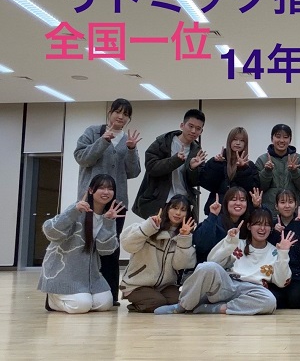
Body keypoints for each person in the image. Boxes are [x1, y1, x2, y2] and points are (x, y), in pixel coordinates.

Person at [154, 207, 297, 315]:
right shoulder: (238, 243)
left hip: (252, 290)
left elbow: (281, 282)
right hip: (228, 284)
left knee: (270, 301)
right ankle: (182, 306)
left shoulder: (274, 251)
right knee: (206, 266)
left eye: (266, 225)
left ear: (271, 228)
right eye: (257, 224)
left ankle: (214, 309)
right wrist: (229, 242)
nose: (262, 228)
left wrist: (283, 253)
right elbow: (213, 260)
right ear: (249, 226)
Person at [73, 98, 141, 305]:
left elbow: (133, 172)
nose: (121, 117)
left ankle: (110, 294)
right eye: (117, 112)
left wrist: (131, 150)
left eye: (125, 114)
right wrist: (102, 141)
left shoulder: (127, 140)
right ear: (110, 112)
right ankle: (82, 289)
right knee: (86, 243)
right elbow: (82, 158)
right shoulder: (93, 132)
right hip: (90, 201)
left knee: (111, 246)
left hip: (116, 203)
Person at [38, 174, 124, 313]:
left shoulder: (108, 215)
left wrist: (108, 223)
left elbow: (105, 250)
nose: (106, 192)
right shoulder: (77, 209)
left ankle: (81, 297)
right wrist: (74, 211)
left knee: (105, 303)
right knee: (81, 305)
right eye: (101, 188)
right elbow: (51, 232)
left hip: (90, 275)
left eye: (110, 188)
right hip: (64, 271)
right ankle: (52, 300)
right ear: (90, 190)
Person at [120, 195, 197, 312]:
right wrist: (148, 227)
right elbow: (127, 245)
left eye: (183, 210)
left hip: (164, 286)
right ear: (167, 209)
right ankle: (137, 305)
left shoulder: (184, 235)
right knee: (157, 302)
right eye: (174, 208)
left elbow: (180, 265)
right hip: (136, 284)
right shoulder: (151, 226)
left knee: (182, 300)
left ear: (188, 214)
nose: (178, 213)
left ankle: (150, 301)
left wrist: (184, 238)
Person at [133, 109, 207, 220]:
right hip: (159, 201)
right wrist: (175, 160)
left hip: (183, 202)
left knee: (183, 231)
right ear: (182, 125)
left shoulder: (197, 151)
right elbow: (151, 167)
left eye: (198, 128)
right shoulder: (163, 142)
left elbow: (195, 182)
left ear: (201, 131)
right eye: (190, 126)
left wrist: (192, 169)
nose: (193, 131)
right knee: (155, 231)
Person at [199, 126, 259, 216]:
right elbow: (206, 183)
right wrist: (216, 164)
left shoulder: (249, 165)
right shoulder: (218, 161)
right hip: (218, 210)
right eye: (235, 139)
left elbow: (253, 190)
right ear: (229, 141)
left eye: (242, 140)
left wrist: (243, 169)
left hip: (240, 213)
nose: (238, 143)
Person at [267, 189, 300, 309]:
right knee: (275, 301)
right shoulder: (271, 225)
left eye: (290, 202)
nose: (287, 206)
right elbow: (268, 250)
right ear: (276, 206)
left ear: (296, 204)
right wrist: (274, 232)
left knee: (296, 301)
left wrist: (299, 227)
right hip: (275, 273)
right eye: (282, 202)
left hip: (297, 273)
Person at [255, 124, 300, 216]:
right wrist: (267, 171)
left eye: (285, 137)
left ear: (290, 140)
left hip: (294, 214)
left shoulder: (299, 159)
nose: (281, 140)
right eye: (278, 137)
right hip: (269, 214)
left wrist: (295, 171)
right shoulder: (262, 160)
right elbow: (259, 188)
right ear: (272, 138)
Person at [193, 187, 251, 264]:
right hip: (211, 267)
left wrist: (258, 206)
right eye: (233, 199)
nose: (238, 203)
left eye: (242, 200)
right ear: (226, 203)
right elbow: (202, 245)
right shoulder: (215, 221)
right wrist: (213, 215)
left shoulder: (248, 225)